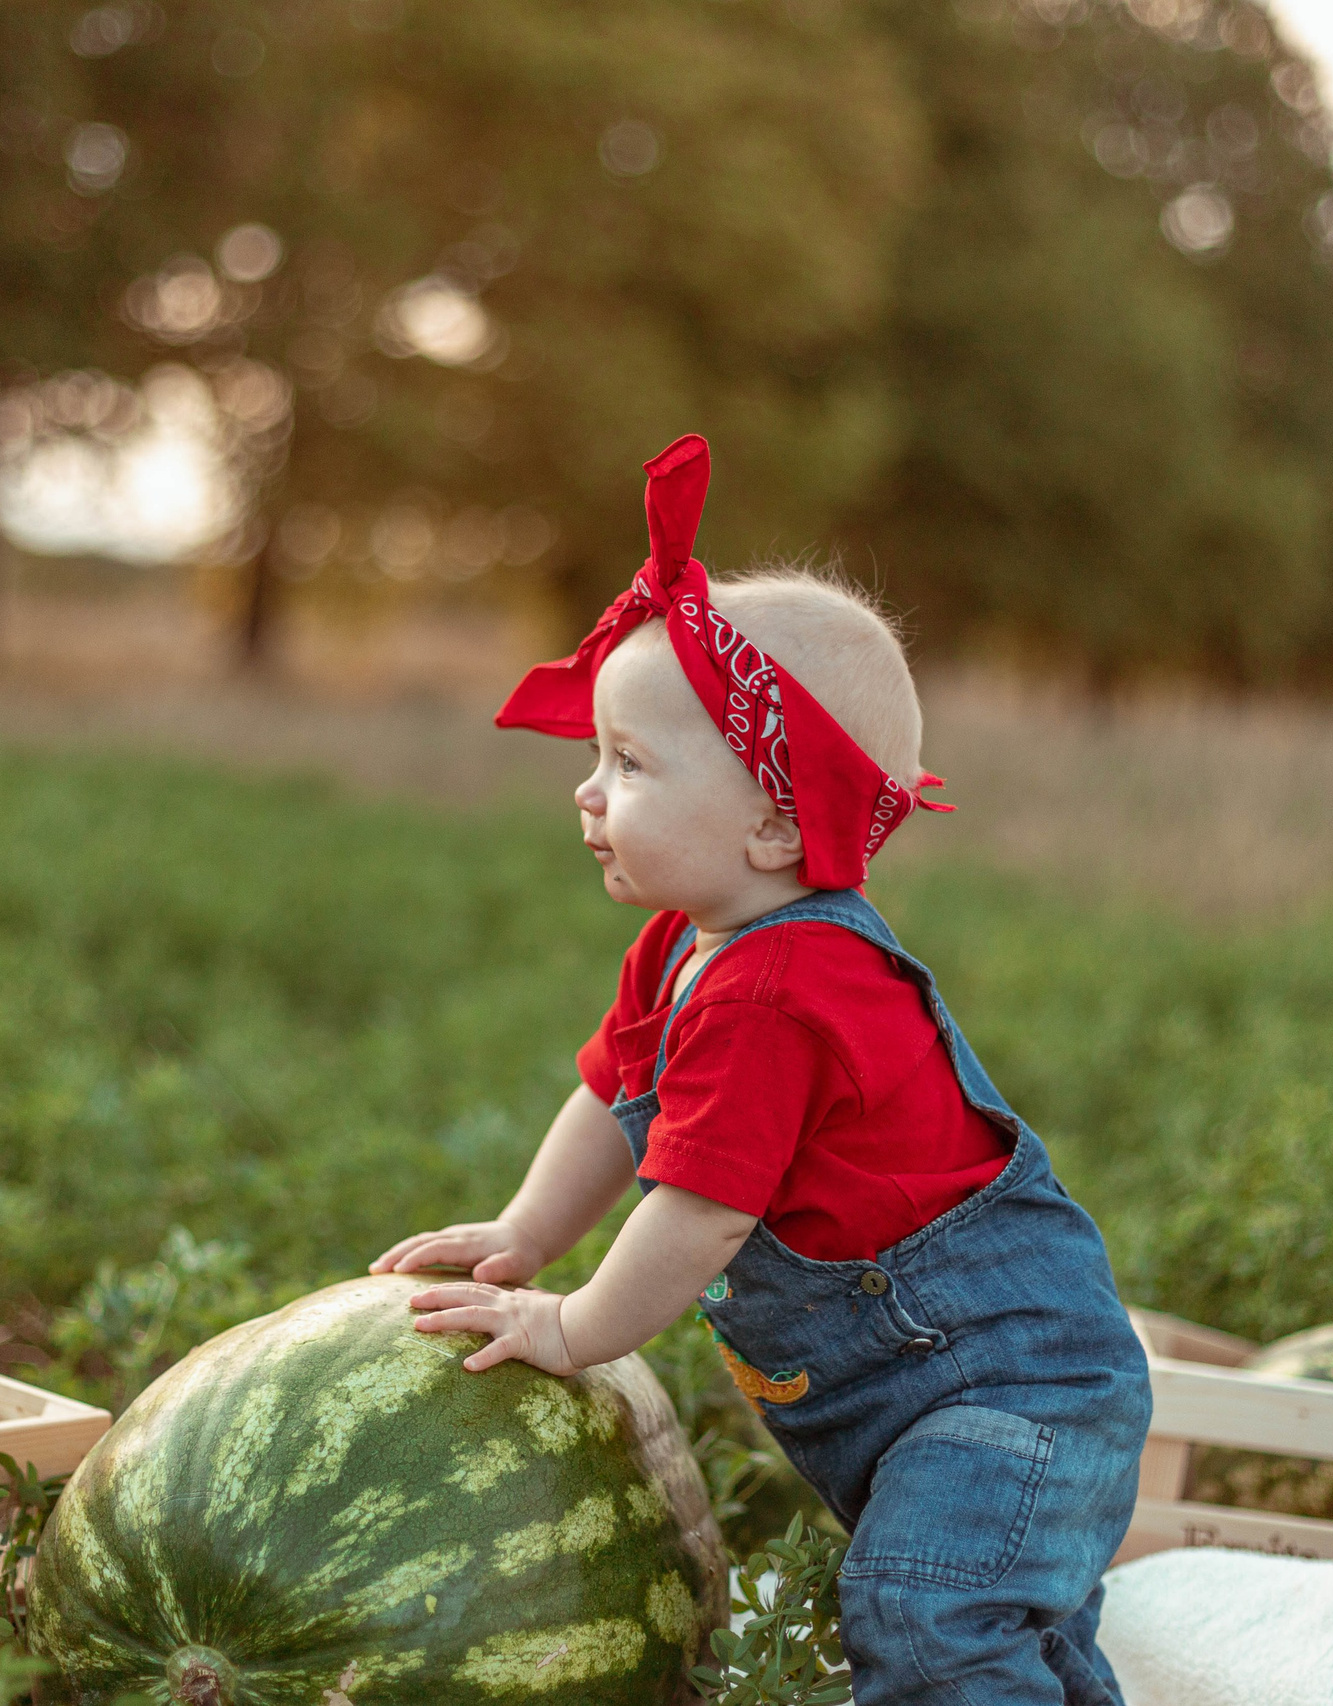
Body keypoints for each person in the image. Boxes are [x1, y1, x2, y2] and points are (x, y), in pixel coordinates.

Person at [371, 434, 1150, 1706]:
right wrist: (526, 1231)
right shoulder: (684, 946)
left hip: (1011, 1393)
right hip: (929, 1393)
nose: (587, 792)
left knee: (923, 1613)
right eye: (596, 757)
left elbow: (701, 1210)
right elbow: (611, 1101)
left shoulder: (779, 991)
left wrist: (573, 1325)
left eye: (630, 763)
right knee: (1000, 1627)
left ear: (779, 821)